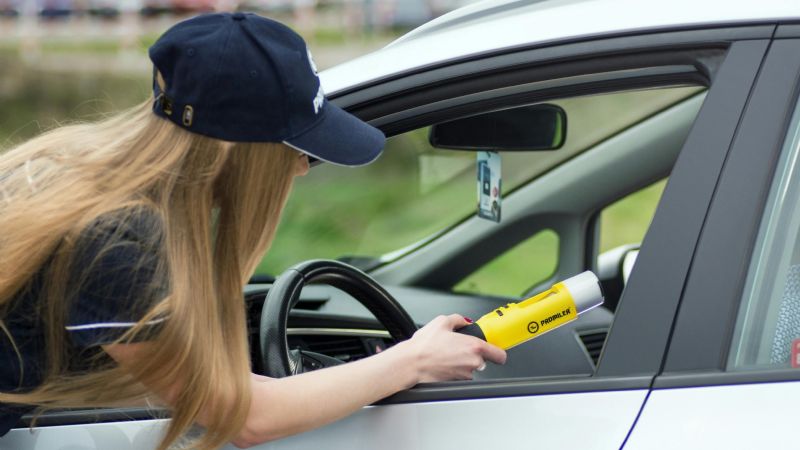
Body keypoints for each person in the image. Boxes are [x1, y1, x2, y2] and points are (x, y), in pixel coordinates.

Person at [0, 12, 506, 450]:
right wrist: (412, 361)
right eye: (296, 149)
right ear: (238, 152)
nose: (302, 167)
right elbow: (244, 418)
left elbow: (204, 386)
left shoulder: (65, 171)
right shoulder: (117, 245)